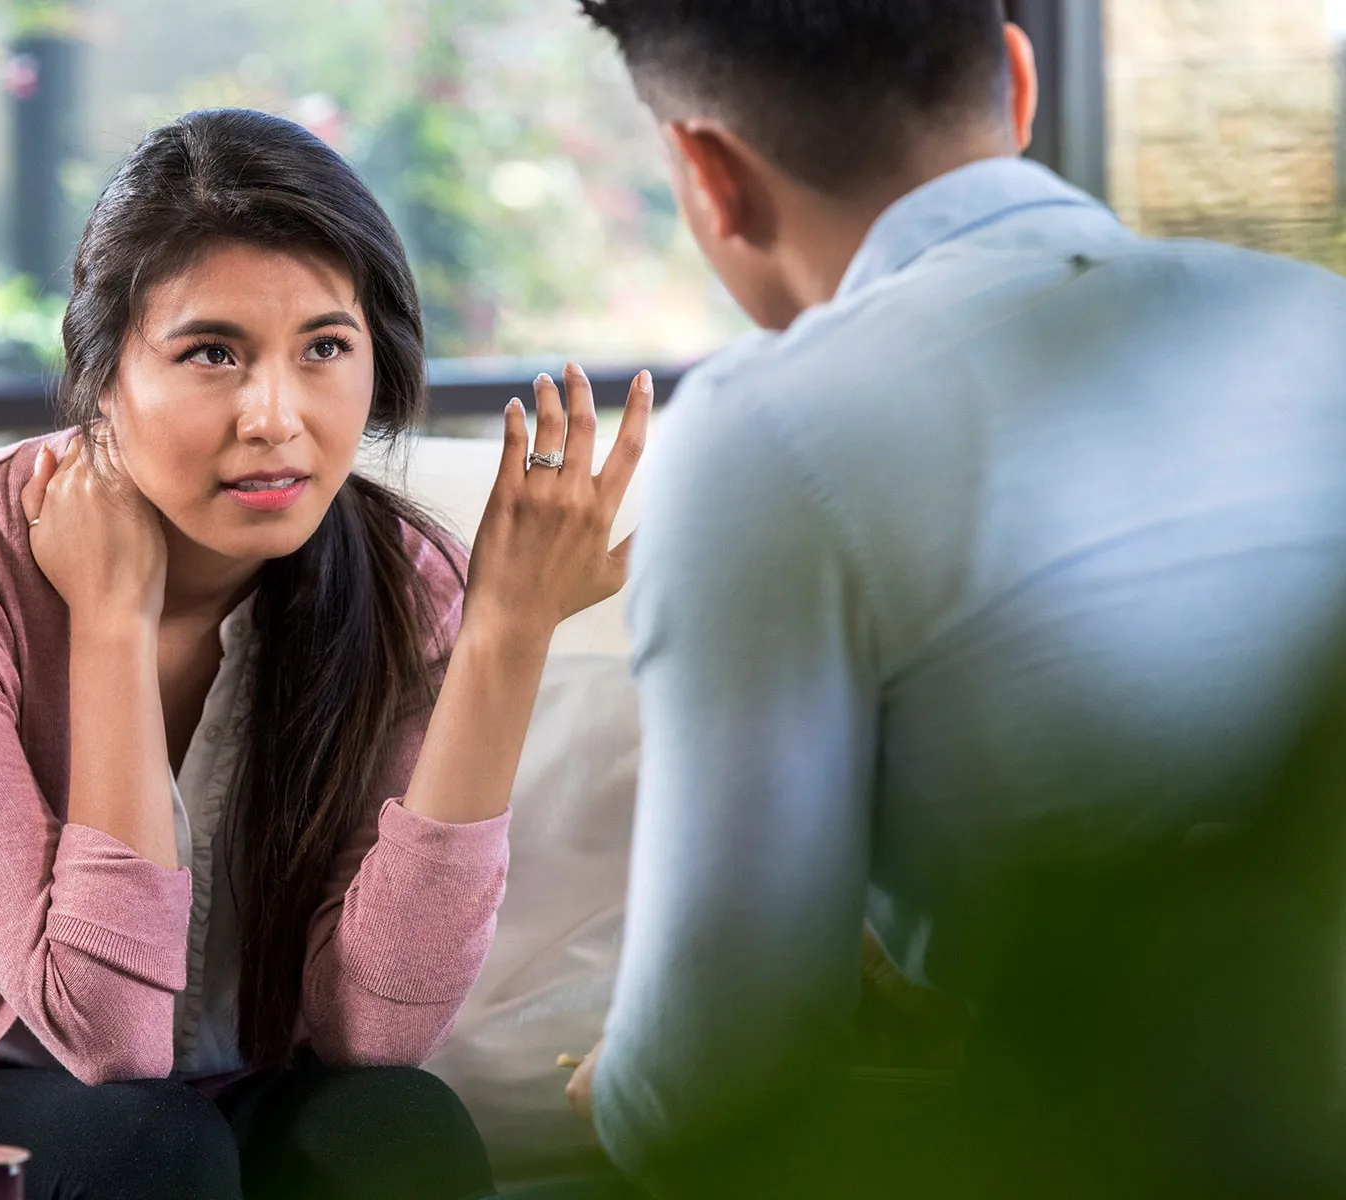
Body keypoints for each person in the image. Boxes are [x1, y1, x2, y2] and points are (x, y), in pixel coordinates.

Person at [0, 108, 654, 1200]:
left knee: (397, 1126)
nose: (275, 417)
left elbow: (377, 1029)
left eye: (324, 348)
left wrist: (503, 637)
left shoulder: (402, 578)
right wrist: (110, 620)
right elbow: (111, 1043)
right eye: (211, 354)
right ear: (102, 375)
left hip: (212, 1098)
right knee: (143, 1145)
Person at [561, 1, 1346, 1195]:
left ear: (710, 174)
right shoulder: (1317, 314)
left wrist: (625, 1080)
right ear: (1020, 84)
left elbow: (714, 1096)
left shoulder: (768, 432)